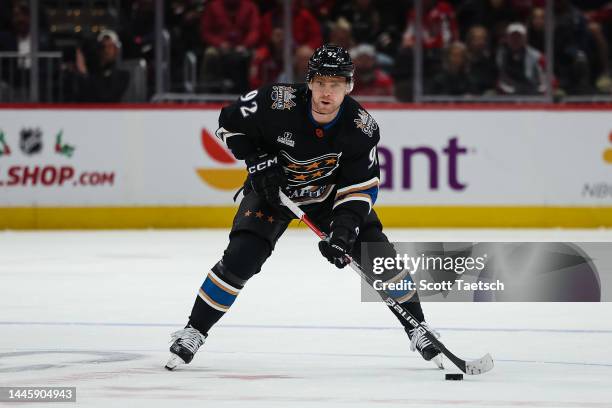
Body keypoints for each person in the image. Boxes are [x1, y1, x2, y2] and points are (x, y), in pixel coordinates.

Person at [165, 44, 443, 371]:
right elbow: (228, 124)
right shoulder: (275, 101)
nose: (328, 91)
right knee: (241, 259)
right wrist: (257, 160)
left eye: (336, 84)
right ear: (309, 82)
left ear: (349, 86)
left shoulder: (360, 127)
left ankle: (418, 327)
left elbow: (360, 187)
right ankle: (193, 330)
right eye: (322, 82)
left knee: (380, 258)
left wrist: (344, 230)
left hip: (328, 198)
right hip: (274, 192)